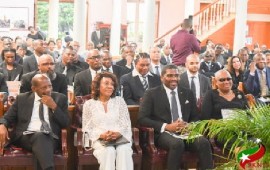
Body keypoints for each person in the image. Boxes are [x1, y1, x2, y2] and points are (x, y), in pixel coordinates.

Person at [138, 64, 213, 170]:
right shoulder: (151, 94)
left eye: (176, 75)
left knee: (204, 143)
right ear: (162, 77)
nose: (174, 78)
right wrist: (167, 126)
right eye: (170, 75)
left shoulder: (187, 92)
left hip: (185, 132)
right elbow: (142, 119)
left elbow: (195, 116)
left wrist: (190, 125)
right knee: (177, 144)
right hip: (163, 133)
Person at [0, 74, 70, 170]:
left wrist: (54, 107)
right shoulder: (22, 99)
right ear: (34, 88)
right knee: (40, 137)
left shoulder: (60, 98)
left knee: (41, 140)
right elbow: (7, 118)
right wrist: (2, 125)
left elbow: (66, 123)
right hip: (25, 137)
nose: (48, 90)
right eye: (44, 87)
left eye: (50, 86)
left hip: (51, 137)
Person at [82, 72, 133, 170]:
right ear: (97, 86)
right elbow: (87, 128)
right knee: (108, 151)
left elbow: (126, 125)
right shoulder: (89, 104)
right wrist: (101, 135)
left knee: (123, 150)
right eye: (106, 83)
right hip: (99, 139)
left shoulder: (120, 101)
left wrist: (118, 133)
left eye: (112, 84)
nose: (110, 86)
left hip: (121, 137)